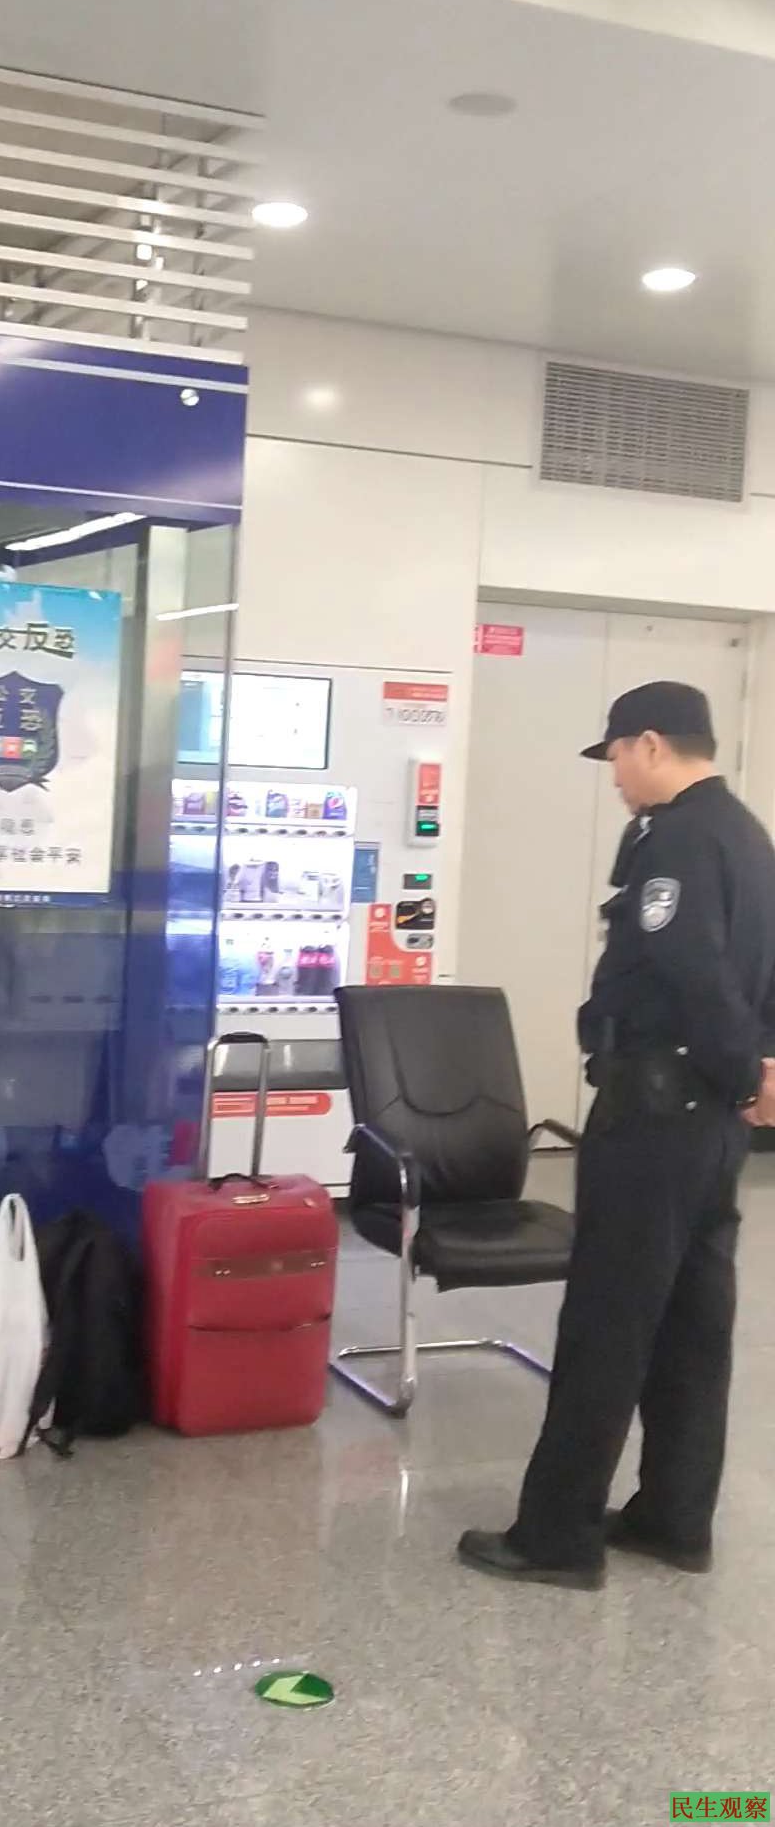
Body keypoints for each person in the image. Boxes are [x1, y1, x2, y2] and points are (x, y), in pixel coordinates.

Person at [458, 680, 775, 1590]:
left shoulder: (673, 839)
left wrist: (739, 1069)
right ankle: (674, 1518)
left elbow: (693, 973)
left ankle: (555, 1536)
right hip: (711, 1128)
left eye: (617, 759)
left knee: (609, 1320)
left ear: (650, 744)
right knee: (693, 1325)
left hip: (654, 1114)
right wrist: (759, 1070)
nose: (615, 779)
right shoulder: (746, 834)